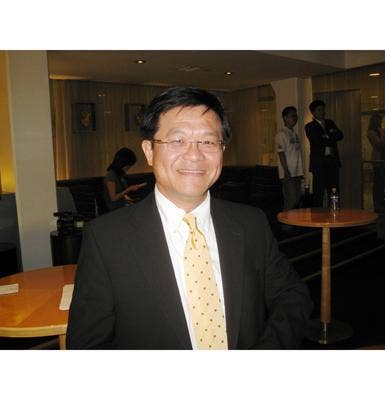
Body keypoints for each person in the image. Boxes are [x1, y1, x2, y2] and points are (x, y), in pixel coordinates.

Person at [66, 86, 312, 350]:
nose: (194, 155)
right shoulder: (106, 239)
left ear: (222, 149)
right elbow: (87, 347)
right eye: (177, 140)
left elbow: (292, 295)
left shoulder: (250, 223)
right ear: (149, 151)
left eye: (208, 142)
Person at [305, 100, 343, 207]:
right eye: (319, 110)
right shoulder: (310, 126)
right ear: (313, 112)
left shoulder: (330, 123)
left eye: (323, 109)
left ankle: (334, 213)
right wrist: (330, 135)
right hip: (319, 164)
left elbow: (340, 135)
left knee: (334, 191)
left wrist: (327, 136)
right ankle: (318, 216)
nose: (322, 112)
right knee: (318, 193)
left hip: (332, 162)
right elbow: (317, 141)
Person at [276, 106, 304, 211]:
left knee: (297, 199)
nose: (295, 118)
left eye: (296, 116)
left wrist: (300, 172)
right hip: (288, 173)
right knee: (291, 200)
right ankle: (284, 221)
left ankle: (293, 220)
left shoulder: (294, 134)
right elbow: (281, 153)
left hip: (297, 173)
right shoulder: (281, 134)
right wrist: (286, 170)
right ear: (285, 118)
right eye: (292, 116)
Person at [367, 113, 385, 213]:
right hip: (378, 161)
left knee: (383, 182)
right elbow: (379, 144)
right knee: (378, 183)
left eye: (380, 121)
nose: (379, 123)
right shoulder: (371, 132)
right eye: (377, 121)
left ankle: (381, 202)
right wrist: (383, 135)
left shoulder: (381, 131)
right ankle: (377, 204)